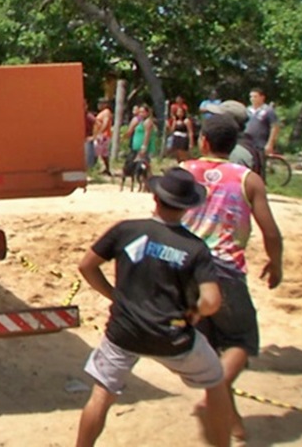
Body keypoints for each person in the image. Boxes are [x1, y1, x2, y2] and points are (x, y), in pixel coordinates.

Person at [74, 167, 231, 447]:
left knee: (101, 394)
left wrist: (114, 295)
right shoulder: (195, 248)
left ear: (155, 199)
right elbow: (212, 300)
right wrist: (196, 312)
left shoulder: (126, 230)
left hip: (123, 333)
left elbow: (87, 266)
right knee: (216, 383)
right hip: (172, 336)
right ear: (187, 209)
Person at [181, 117, 285, 441]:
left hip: (184, 270)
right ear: (235, 146)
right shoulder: (249, 179)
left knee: (211, 350)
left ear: (203, 142)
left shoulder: (183, 171)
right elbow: (271, 232)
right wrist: (276, 263)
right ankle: (220, 389)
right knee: (241, 341)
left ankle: (233, 422)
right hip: (223, 270)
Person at [243, 88, 280, 156]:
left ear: (262, 97)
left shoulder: (268, 111)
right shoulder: (247, 110)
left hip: (261, 144)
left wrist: (270, 144)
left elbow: (275, 127)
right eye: (251, 97)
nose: (252, 99)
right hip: (247, 143)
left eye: (255, 96)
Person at [166, 97, 196, 163]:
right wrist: (170, 124)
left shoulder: (186, 121)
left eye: (181, 112)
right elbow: (172, 130)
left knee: (183, 154)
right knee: (177, 154)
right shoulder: (175, 121)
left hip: (183, 138)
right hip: (176, 137)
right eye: (178, 112)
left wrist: (191, 143)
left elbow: (190, 132)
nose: (179, 113)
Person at [92, 98, 113, 176]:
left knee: (96, 151)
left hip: (103, 135)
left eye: (101, 103)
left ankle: (94, 167)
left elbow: (106, 123)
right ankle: (106, 169)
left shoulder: (106, 112)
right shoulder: (102, 112)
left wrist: (99, 133)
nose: (99, 105)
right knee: (103, 153)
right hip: (102, 135)